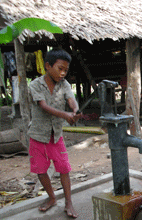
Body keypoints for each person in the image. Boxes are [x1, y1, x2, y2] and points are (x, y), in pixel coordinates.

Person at [28, 48, 81, 218]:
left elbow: (71, 100)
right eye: (60, 68)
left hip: (56, 136)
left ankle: (69, 202)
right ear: (48, 66)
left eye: (66, 70)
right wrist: (65, 115)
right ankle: (51, 198)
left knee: (64, 169)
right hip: (37, 135)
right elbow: (43, 106)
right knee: (41, 170)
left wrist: (74, 110)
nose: (63, 73)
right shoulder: (35, 84)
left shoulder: (64, 84)